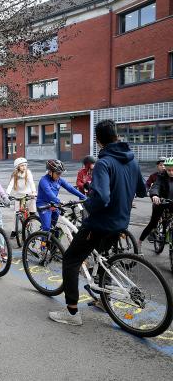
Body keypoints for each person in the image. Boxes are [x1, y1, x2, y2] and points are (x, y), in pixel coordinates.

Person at [49, 119, 146, 326]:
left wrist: (87, 207)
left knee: (71, 260)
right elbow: (142, 191)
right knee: (102, 258)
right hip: (121, 222)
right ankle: (104, 300)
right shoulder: (133, 161)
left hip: (100, 223)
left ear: (99, 140)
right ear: (117, 135)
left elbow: (101, 198)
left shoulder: (104, 162)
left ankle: (72, 313)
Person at [36, 159, 86, 232]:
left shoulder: (59, 179)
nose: (59, 175)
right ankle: (43, 242)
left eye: (60, 173)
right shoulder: (44, 181)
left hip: (54, 204)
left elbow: (70, 188)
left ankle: (53, 242)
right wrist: (59, 201)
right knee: (47, 228)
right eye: (58, 173)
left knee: (56, 227)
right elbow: (49, 193)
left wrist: (83, 196)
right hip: (43, 205)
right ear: (50, 172)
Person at [138, 157, 173, 250]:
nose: (171, 172)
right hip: (160, 202)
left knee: (168, 223)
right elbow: (156, 186)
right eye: (169, 170)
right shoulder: (161, 176)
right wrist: (154, 195)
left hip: (172, 203)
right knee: (153, 223)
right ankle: (139, 242)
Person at [6, 157, 36, 238]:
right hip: (18, 196)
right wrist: (7, 193)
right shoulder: (15, 174)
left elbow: (31, 182)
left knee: (32, 213)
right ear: (17, 166)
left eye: (25, 165)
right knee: (16, 213)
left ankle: (32, 230)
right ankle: (14, 230)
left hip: (29, 195)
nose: (24, 167)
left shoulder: (28, 173)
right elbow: (10, 184)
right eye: (22, 165)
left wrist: (33, 192)